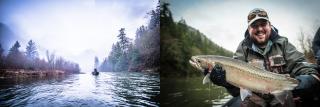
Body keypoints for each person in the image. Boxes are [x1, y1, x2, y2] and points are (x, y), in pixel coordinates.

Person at [205, 8, 320, 107]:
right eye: (255, 25)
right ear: (249, 29)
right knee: (243, 101)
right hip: (256, 98)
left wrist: (304, 80)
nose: (259, 29)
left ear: (270, 25)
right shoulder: (242, 49)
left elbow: (301, 65)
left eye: (263, 24)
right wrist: (226, 82)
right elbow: (237, 90)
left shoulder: (283, 43)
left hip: (282, 92)